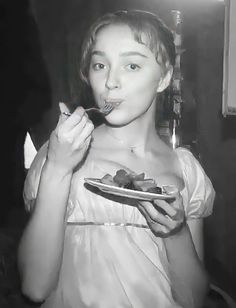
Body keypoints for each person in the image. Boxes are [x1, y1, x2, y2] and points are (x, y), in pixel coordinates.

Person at [17, 10, 215, 308]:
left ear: (164, 78)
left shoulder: (184, 170)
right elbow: (34, 287)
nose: (110, 81)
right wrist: (58, 169)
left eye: (131, 65)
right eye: (100, 65)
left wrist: (176, 232)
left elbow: (194, 300)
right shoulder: (59, 154)